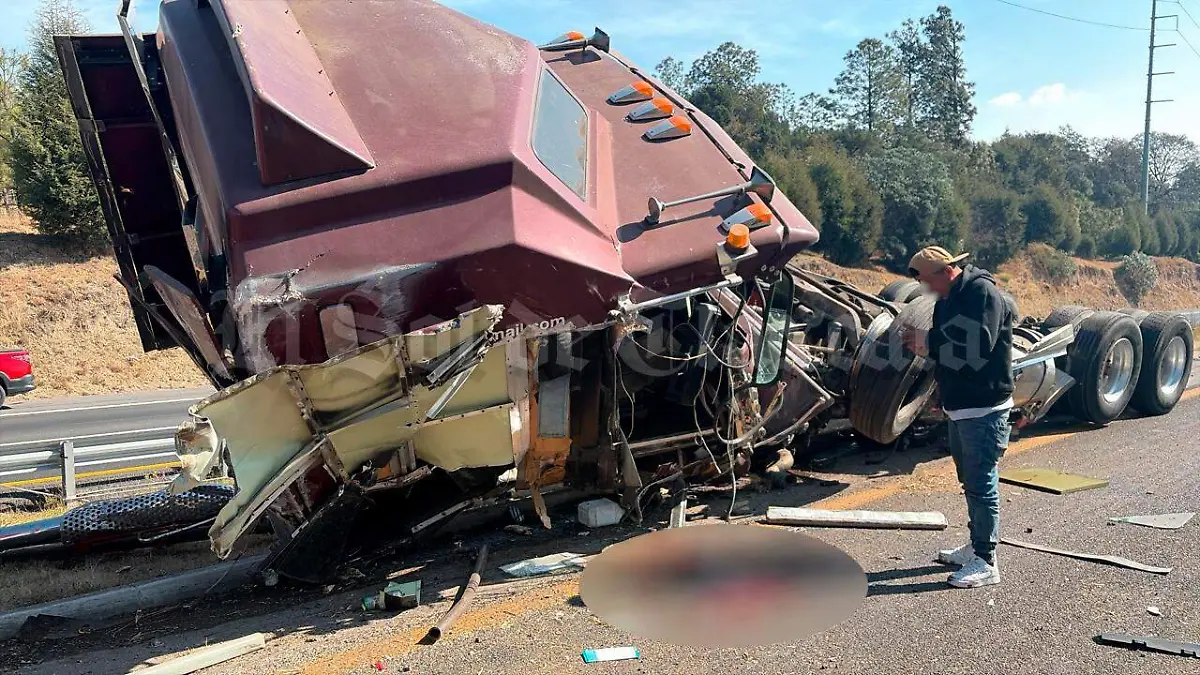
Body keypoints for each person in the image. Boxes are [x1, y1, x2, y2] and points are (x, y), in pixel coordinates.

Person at [903, 246, 1014, 589]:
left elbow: (976, 348)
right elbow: (948, 358)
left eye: (926, 280)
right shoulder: (946, 301)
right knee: (970, 480)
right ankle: (976, 547)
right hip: (961, 406)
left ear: (942, 271)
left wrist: (927, 341)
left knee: (982, 484)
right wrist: (941, 392)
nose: (926, 288)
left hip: (984, 407)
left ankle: (987, 560)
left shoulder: (982, 292)